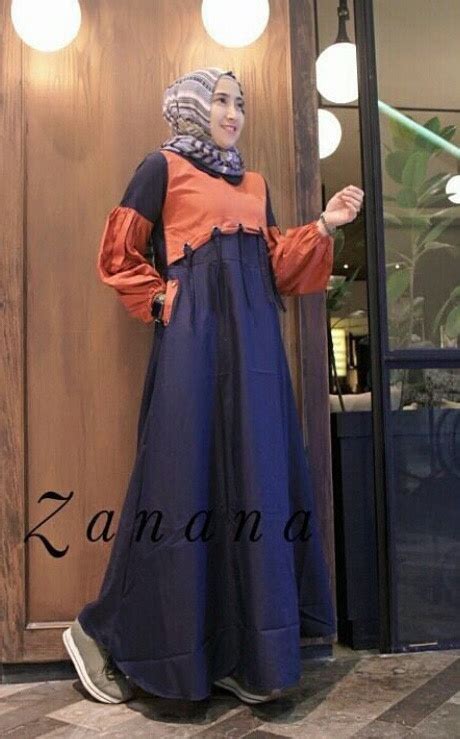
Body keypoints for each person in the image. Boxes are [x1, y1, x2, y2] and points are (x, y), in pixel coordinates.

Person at [63, 67, 364, 706]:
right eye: (221, 101)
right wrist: (164, 302)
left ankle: (235, 654)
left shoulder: (254, 185)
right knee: (178, 486)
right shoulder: (162, 167)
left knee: (255, 484)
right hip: (191, 353)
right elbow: (119, 254)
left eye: (239, 103)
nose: (232, 113)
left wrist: (324, 224)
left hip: (256, 357)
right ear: (192, 107)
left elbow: (278, 268)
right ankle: (99, 632)